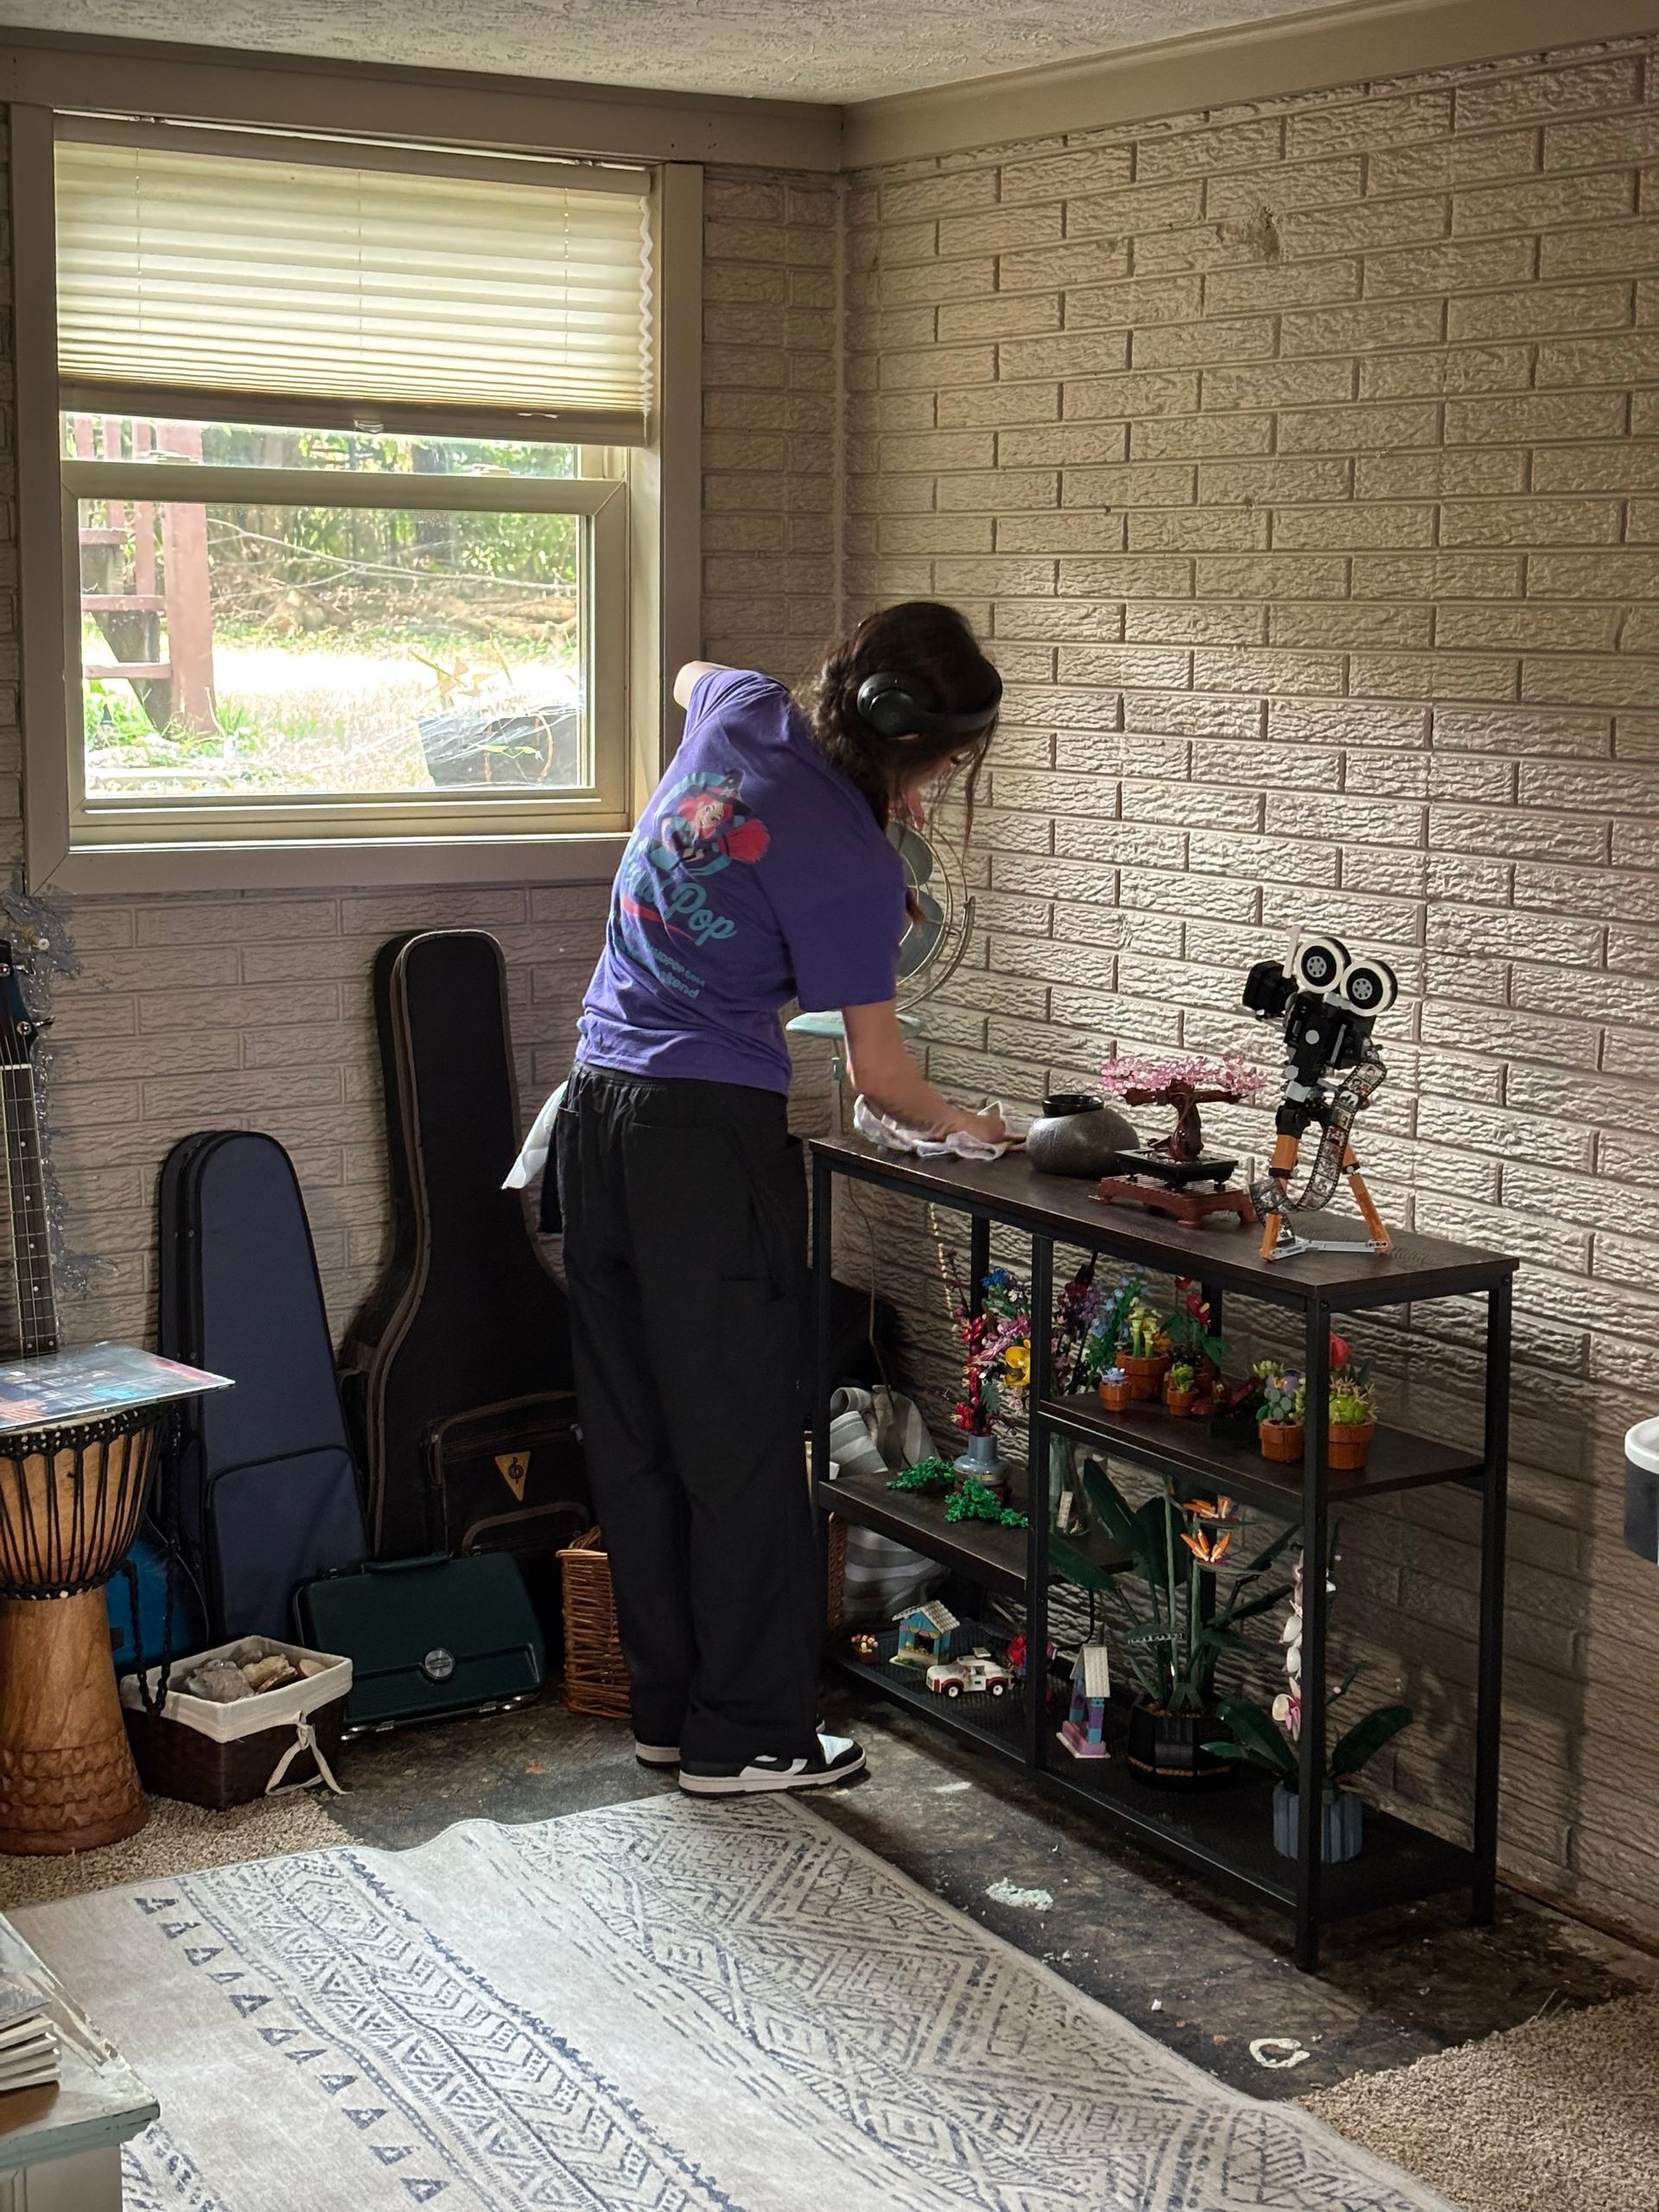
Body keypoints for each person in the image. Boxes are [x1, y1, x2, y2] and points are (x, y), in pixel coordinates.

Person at [554, 601, 1005, 1796]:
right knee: (744, 1443)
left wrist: (865, 787)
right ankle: (750, 1736)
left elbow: (689, 673)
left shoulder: (743, 705)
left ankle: (671, 1717)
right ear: (935, 756)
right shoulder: (855, 865)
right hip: (703, 1144)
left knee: (637, 1436)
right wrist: (975, 1127)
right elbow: (883, 1079)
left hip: (594, 1109)